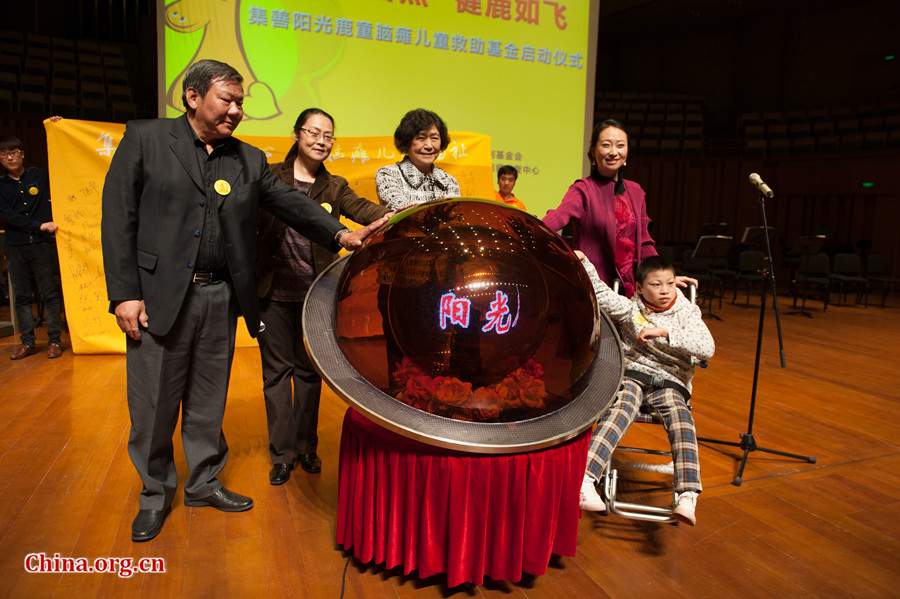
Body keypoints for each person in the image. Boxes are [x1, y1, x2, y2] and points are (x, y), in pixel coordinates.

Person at [101, 60, 388, 542]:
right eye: (226, 100)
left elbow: (292, 204)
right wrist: (125, 293)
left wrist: (341, 233)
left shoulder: (249, 160)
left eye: (241, 103)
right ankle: (154, 494)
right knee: (154, 404)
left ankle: (204, 482)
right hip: (157, 298)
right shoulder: (146, 139)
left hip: (220, 295)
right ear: (193, 97)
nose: (236, 110)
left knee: (208, 399)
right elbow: (117, 219)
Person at [258, 108, 389, 485]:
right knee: (277, 376)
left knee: (310, 374)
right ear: (297, 134)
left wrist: (398, 214)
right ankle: (282, 455)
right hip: (272, 293)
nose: (320, 140)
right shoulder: (271, 178)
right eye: (313, 132)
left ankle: (306, 448)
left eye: (328, 135)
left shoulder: (334, 187)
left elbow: (364, 209)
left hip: (316, 296)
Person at [576, 252, 714, 525]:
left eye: (670, 283)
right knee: (619, 408)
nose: (664, 291)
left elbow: (707, 347)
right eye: (656, 284)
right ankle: (586, 479)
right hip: (634, 375)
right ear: (639, 288)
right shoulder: (631, 309)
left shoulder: (687, 313)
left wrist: (666, 333)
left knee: (680, 417)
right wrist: (584, 262)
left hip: (670, 380)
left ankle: (687, 493)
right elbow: (601, 294)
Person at [543, 119, 661, 298]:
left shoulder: (636, 191)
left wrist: (663, 276)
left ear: (627, 152)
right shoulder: (583, 189)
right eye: (606, 145)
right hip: (596, 288)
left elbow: (645, 243)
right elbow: (558, 217)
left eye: (620, 145)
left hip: (632, 288)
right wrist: (528, 230)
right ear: (593, 151)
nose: (614, 152)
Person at [0, 136, 64, 359]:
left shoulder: (40, 175)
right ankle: (28, 343)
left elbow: (61, 160)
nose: (9, 157)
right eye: (4, 154)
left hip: (42, 247)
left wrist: (59, 130)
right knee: (23, 296)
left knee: (50, 294)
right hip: (16, 247)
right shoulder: (0, 186)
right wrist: (39, 225)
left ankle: (55, 341)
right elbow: (8, 216)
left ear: (22, 154)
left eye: (14, 152)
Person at [375, 108, 460, 210]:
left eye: (434, 138)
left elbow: (455, 216)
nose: (429, 146)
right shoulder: (388, 174)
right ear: (407, 141)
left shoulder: (449, 181)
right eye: (421, 138)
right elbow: (404, 211)